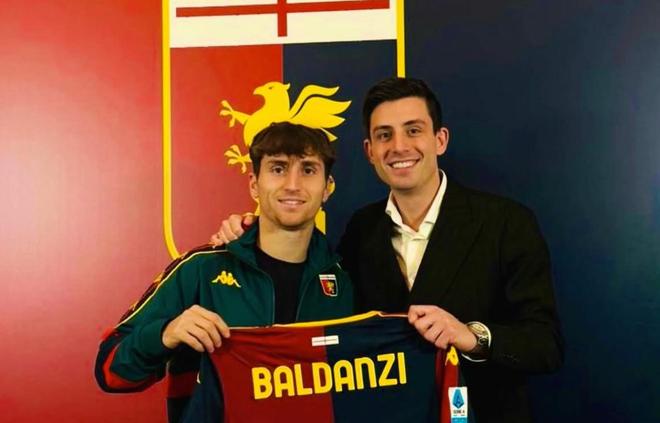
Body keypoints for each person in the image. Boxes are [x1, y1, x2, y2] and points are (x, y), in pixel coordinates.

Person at [212, 77, 563, 422]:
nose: (399, 146)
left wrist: (471, 336)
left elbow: (545, 346)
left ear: (440, 139)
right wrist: (250, 235)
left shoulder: (506, 222)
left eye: (413, 130)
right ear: (370, 151)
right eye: (384, 135)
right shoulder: (361, 230)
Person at [95, 122, 354, 422]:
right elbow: (110, 372)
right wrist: (166, 333)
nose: (293, 184)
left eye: (308, 170)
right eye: (278, 169)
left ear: (328, 187)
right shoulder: (200, 270)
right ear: (254, 184)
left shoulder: (345, 282)